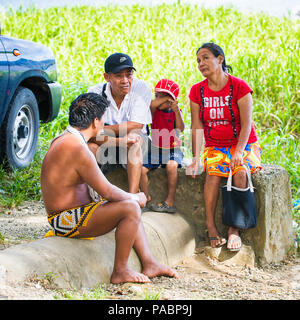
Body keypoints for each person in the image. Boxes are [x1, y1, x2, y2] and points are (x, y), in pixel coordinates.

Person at [41, 93, 178, 284]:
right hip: (66, 220)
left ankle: (150, 263)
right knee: (129, 207)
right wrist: (135, 198)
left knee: (127, 203)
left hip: (72, 215)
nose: (104, 125)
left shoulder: (68, 139)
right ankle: (120, 271)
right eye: (103, 120)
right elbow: (108, 191)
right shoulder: (77, 148)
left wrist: (129, 197)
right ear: (96, 122)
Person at [187, 42, 262, 251]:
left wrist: (239, 151)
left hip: (244, 144)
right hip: (216, 146)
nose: (201, 63)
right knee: (212, 174)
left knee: (239, 172)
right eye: (198, 60)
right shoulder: (196, 92)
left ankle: (233, 229)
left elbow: (247, 123)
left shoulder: (239, 86)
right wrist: (195, 158)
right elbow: (196, 126)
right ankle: (210, 226)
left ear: (220, 59)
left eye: (205, 58)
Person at [87, 53, 152, 194]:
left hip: (137, 143)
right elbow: (89, 134)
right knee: (91, 147)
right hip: (109, 144)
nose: (125, 80)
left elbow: (136, 125)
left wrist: (102, 129)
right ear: (107, 77)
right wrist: (120, 140)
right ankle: (92, 196)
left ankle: (133, 198)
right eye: (118, 76)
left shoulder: (141, 88)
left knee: (134, 138)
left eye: (129, 75)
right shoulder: (94, 93)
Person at [140, 79, 185, 213]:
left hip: (172, 149)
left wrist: (176, 110)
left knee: (172, 166)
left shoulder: (176, 112)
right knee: (141, 170)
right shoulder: (154, 111)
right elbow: (151, 104)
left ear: (173, 100)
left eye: (163, 97)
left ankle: (169, 201)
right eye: (157, 96)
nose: (159, 99)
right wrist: (164, 98)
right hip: (156, 150)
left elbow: (180, 128)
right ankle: (145, 198)